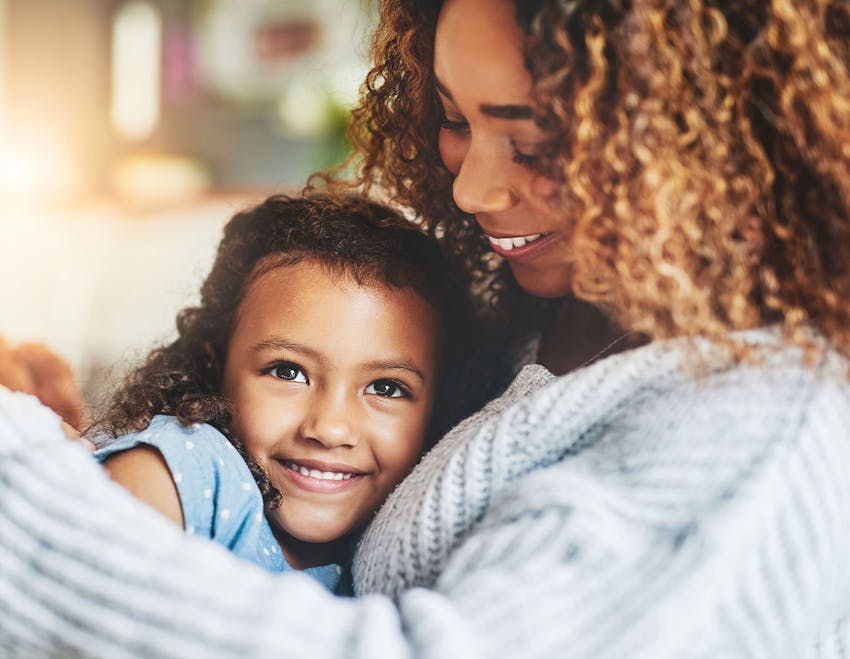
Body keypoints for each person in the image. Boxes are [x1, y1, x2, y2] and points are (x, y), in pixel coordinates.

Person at [1, 0, 850, 657]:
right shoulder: (536, 307)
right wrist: (66, 438)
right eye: (455, 118)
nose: (474, 189)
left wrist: (24, 495)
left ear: (702, 142)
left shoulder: (764, 429)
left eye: (537, 140)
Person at [85, 193, 484, 589]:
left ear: (438, 409)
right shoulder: (188, 470)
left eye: (386, 388)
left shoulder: (408, 542)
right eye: (288, 372)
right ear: (215, 367)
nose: (330, 429)